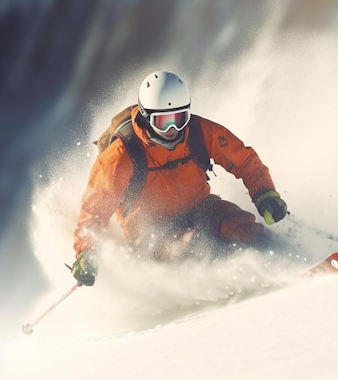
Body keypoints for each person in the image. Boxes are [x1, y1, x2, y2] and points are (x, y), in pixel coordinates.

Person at [71, 70, 288, 286]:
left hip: (201, 208)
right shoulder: (121, 155)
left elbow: (244, 160)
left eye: (179, 118)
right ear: (147, 118)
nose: (172, 129)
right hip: (152, 233)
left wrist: (264, 193)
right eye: (163, 121)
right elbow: (94, 211)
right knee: (191, 245)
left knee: (240, 228)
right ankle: (233, 286)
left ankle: (290, 260)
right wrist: (86, 252)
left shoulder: (198, 132)